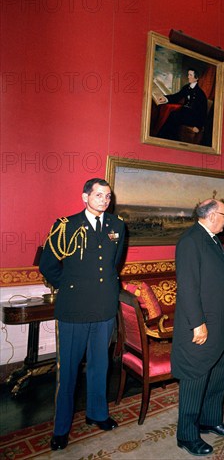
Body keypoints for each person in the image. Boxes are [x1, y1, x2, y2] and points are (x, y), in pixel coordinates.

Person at [39, 178, 126, 451]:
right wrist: (70, 287)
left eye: (108, 195)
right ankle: (61, 428)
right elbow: (48, 265)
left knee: (101, 365)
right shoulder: (65, 225)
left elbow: (115, 263)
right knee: (68, 372)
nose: (104, 199)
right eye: (98, 195)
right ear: (84, 197)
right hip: (74, 309)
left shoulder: (117, 226)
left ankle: (97, 413)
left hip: (103, 308)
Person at [171, 199, 224, 457]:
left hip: (222, 324)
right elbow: (188, 288)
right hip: (203, 326)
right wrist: (198, 324)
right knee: (195, 377)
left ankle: (210, 419)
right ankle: (187, 435)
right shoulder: (190, 241)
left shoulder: (211, 238)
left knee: (219, 374)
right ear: (211, 216)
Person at [157, 68, 208, 142]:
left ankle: (166, 138)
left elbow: (203, 111)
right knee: (173, 114)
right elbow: (177, 96)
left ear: (196, 78)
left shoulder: (201, 94)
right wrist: (166, 98)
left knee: (174, 116)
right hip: (185, 113)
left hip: (193, 118)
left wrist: (198, 126)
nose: (188, 77)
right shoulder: (186, 87)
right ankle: (164, 137)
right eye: (188, 75)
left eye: (190, 75)